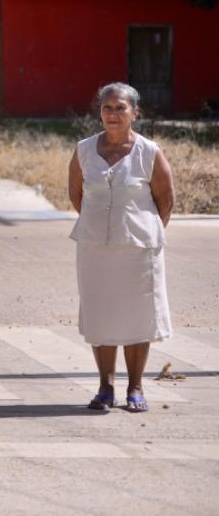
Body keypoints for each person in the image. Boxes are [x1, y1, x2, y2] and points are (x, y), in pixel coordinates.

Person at [68, 83, 174, 412]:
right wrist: (101, 223)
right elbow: (76, 194)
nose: (113, 115)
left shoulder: (149, 151)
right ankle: (105, 387)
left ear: (135, 113)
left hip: (139, 250)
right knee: (101, 316)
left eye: (120, 108)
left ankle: (136, 388)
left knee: (137, 317)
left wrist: (140, 230)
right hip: (95, 248)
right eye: (107, 108)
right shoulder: (84, 149)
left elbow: (165, 200)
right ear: (99, 112)